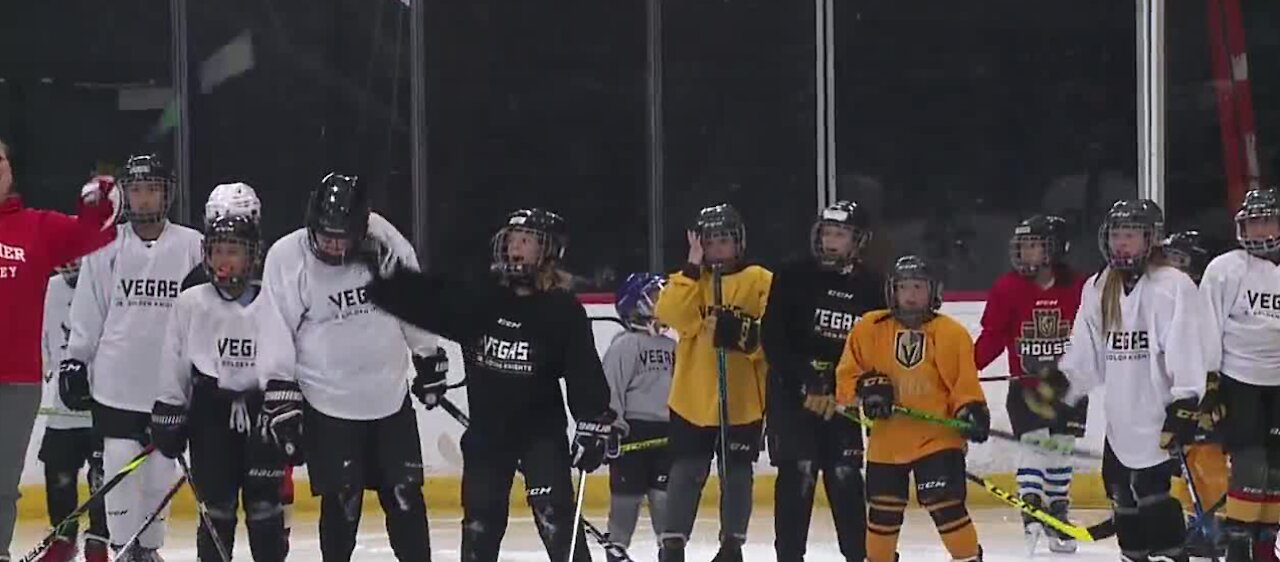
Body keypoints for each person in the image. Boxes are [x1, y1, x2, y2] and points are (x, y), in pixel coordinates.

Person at [364, 208, 617, 562]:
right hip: (488, 437)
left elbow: (583, 371)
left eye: (526, 241)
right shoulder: (482, 298)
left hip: (541, 436)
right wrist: (390, 284)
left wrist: (593, 422)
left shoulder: (562, 310)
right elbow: (430, 302)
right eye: (512, 240)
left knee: (556, 517)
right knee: (480, 524)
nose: (515, 249)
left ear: (548, 252)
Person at [258, 173, 438, 562]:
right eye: (326, 236)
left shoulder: (385, 240)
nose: (334, 245)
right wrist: (280, 391)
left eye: (343, 236)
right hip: (328, 403)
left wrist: (427, 355)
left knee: (406, 495)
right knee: (342, 502)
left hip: (389, 396)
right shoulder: (288, 257)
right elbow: (274, 327)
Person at [1025, 199, 1211, 562]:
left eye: (1130, 235)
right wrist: (1064, 384)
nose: (1121, 243)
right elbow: (1087, 351)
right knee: (1123, 498)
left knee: (1154, 499)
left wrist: (1187, 401)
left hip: (1159, 419)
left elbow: (1187, 347)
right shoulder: (1099, 286)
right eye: (1116, 235)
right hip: (1121, 422)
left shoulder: (1173, 286)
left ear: (1150, 239)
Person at [61, 154, 202, 561]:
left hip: (169, 388)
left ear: (167, 194)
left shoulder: (192, 246)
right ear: (125, 196)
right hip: (117, 385)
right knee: (119, 473)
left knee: (160, 477)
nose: (143, 200)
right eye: (136, 191)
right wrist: (76, 360)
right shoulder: (106, 246)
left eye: (151, 190)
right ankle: (122, 549)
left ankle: (149, 550)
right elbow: (89, 310)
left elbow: (206, 313)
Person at [0, 137, 118, 562]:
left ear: (10, 170)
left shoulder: (37, 227)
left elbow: (97, 235)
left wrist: (103, 198)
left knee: (1, 483)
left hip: (16, 379)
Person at [150, 212, 289, 562]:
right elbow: (174, 357)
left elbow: (289, 358)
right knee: (216, 508)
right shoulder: (191, 302)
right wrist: (169, 408)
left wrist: (292, 407)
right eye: (217, 251)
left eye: (234, 251)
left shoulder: (275, 301)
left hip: (263, 415)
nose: (224, 260)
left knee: (264, 507)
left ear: (253, 256)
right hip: (209, 415)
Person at [834, 254, 990, 562]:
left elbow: (964, 385)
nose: (910, 294)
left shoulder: (951, 333)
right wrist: (865, 388)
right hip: (887, 442)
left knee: (945, 505)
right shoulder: (869, 328)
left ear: (933, 291)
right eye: (904, 287)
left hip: (938, 439)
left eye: (918, 286)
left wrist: (971, 410)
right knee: (882, 516)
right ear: (892, 290)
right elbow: (844, 382)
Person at [653, 203, 772, 562]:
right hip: (692, 398)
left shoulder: (759, 281)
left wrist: (747, 337)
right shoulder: (690, 280)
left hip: (743, 401)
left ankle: (732, 545)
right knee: (685, 473)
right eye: (709, 241)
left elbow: (776, 338)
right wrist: (691, 267)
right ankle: (672, 544)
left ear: (739, 243)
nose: (717, 249)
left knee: (736, 476)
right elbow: (670, 315)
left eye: (724, 240)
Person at [765, 200, 882, 562]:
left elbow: (874, 349)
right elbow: (773, 338)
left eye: (841, 234)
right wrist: (806, 383)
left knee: (846, 477)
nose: (831, 241)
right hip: (792, 395)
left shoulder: (873, 286)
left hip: (841, 398)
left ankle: (858, 556)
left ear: (858, 240)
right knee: (797, 477)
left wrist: (853, 388)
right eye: (827, 233)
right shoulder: (791, 275)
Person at [972, 214, 1087, 554]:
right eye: (1022, 246)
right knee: (1035, 444)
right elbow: (992, 338)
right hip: (1026, 388)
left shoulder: (1080, 287)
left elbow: (1093, 335)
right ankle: (1032, 505)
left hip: (1069, 388)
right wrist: (963, 370)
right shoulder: (1007, 288)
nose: (1026, 253)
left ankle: (1056, 509)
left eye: (1034, 246)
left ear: (1056, 249)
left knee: (1062, 446)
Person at [1200, 187, 1280, 562]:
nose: (1257, 230)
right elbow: (1206, 327)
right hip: (1240, 379)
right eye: (1251, 222)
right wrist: (1210, 381)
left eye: (1265, 220)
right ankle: (1238, 545)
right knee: (1251, 466)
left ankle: (1264, 546)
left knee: (1277, 468)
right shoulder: (1225, 269)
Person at [1162, 230, 1229, 559]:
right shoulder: (1163, 298)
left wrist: (1215, 390)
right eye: (1169, 259)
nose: (1173, 268)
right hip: (1179, 399)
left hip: (1210, 397)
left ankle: (1219, 526)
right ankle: (1197, 524)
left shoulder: (1208, 299)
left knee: (1209, 463)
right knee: (1182, 464)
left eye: (1181, 261)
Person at [38, 259, 109, 562]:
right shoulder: (50, 289)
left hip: (102, 399)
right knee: (58, 470)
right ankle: (64, 537)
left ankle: (98, 540)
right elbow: (42, 333)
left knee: (102, 476)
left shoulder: (103, 283)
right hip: (61, 403)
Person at [602, 273, 674, 562]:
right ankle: (617, 548)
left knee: (665, 503)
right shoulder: (625, 345)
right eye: (657, 296)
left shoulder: (674, 346)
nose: (664, 302)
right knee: (625, 503)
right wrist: (612, 427)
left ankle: (670, 553)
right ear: (638, 304)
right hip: (633, 435)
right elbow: (611, 390)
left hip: (668, 435)